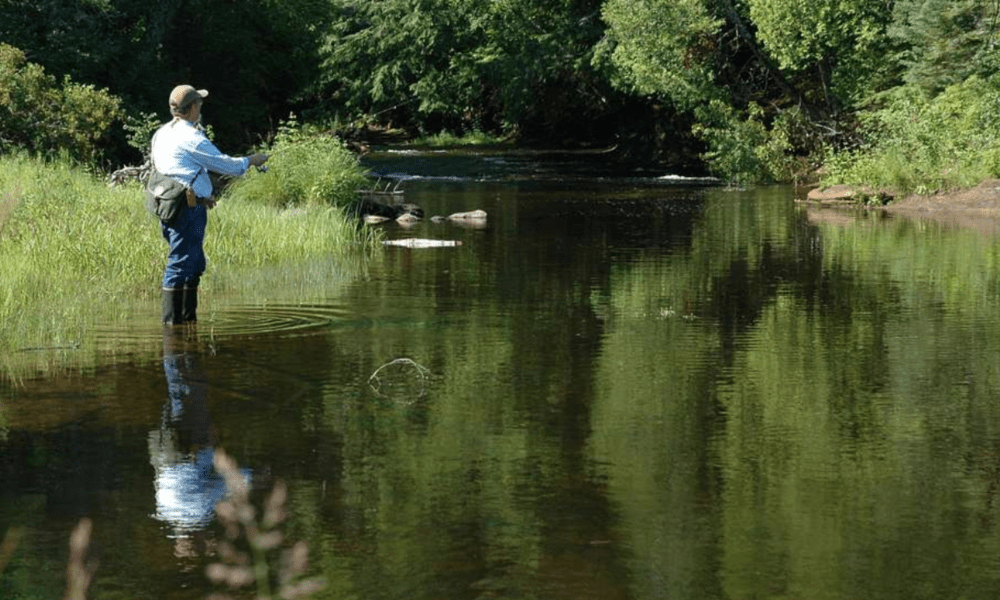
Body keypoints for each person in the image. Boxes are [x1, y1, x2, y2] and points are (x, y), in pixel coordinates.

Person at [150, 84, 269, 325]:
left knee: (193, 263)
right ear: (192, 108)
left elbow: (177, 170)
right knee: (181, 262)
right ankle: (173, 329)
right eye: (200, 104)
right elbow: (229, 166)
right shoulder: (191, 137)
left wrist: (204, 196)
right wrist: (254, 160)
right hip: (186, 209)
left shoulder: (162, 132)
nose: (202, 108)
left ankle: (187, 324)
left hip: (169, 204)